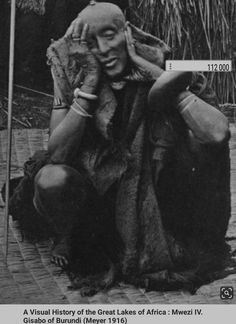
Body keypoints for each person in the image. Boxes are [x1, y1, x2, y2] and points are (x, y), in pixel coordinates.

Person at [8, 1, 231, 293]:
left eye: (110, 35)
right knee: (51, 180)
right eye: (91, 43)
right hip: (98, 194)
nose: (103, 48)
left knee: (195, 142)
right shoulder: (71, 72)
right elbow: (58, 154)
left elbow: (217, 134)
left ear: (127, 32)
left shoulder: (162, 62)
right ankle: (69, 233)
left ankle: (173, 235)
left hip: (155, 191)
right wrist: (89, 84)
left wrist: (153, 74)